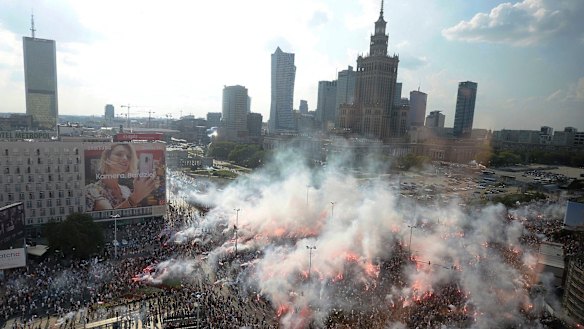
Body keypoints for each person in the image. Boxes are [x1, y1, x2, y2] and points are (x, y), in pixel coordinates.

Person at [86, 143, 156, 211]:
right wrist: (135, 198)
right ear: (107, 157)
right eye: (119, 154)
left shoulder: (126, 190)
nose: (125, 159)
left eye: (128, 157)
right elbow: (110, 218)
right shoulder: (91, 191)